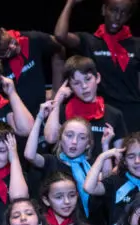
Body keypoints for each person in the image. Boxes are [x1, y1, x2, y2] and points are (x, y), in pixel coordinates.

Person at [55, 0, 140, 132]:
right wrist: (70, 3)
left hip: (131, 114)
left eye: (123, 12)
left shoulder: (136, 45)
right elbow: (60, 35)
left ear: (129, 16)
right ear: (104, 10)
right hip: (102, 114)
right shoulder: (89, 41)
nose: (118, 17)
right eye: (114, 10)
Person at [0, 19, 65, 116]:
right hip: (14, 118)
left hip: (43, 112)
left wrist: (56, 91)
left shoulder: (32, 40)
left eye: (11, 41)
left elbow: (59, 48)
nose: (13, 47)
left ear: (3, 30)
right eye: (5, 51)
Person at [44, 56, 128, 155]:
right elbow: (51, 138)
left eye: (88, 79)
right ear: (69, 86)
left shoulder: (114, 114)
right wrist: (57, 101)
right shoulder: (62, 111)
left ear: (97, 78)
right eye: (76, 83)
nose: (84, 86)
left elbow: (120, 156)